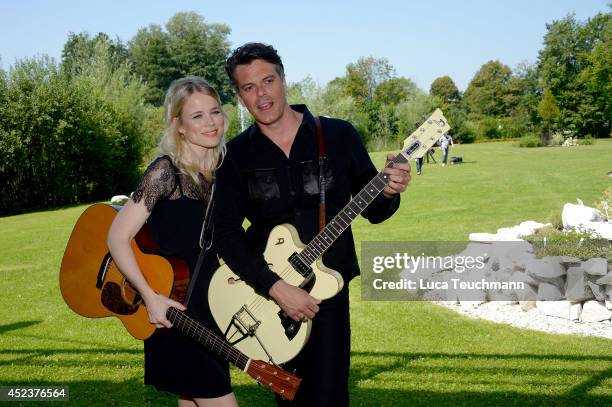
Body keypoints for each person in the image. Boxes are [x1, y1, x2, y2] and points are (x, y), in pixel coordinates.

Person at [213, 43, 411, 406]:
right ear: (239, 96)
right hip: (269, 298)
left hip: (328, 295)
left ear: (284, 80)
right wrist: (275, 288)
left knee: (331, 397)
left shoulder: (338, 136)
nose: (262, 94)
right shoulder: (235, 156)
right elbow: (224, 235)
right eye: (248, 87)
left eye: (268, 80)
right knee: (290, 398)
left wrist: (391, 189)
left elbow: (375, 210)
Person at [107, 77, 237, 407]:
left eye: (215, 112)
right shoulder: (165, 172)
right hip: (173, 309)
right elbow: (117, 237)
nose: (210, 123)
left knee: (191, 399)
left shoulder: (225, 171)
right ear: (178, 125)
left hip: (212, 308)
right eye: (197, 116)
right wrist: (149, 297)